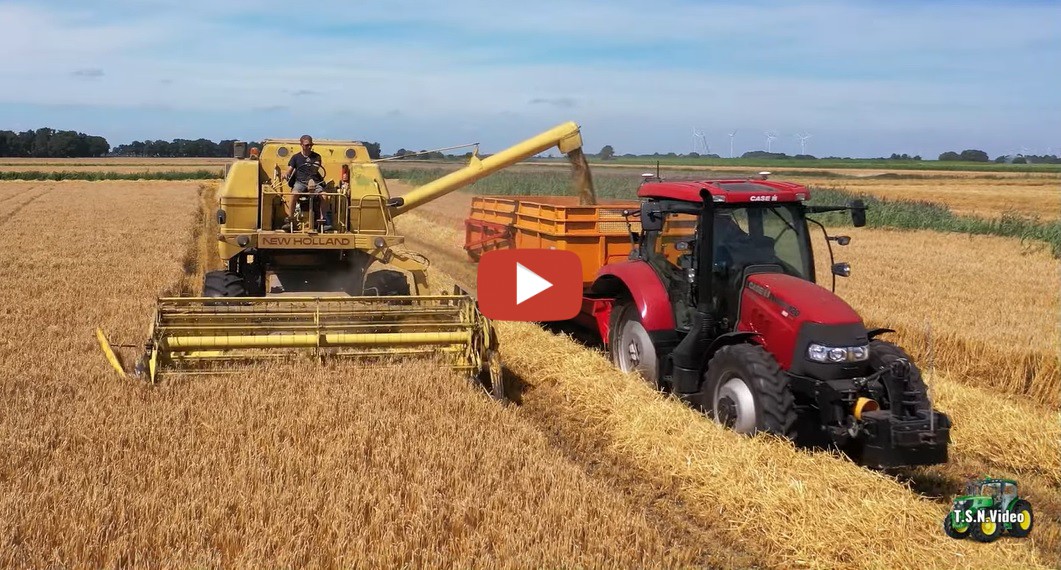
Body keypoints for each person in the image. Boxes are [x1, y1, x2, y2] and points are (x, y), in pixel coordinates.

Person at [282, 134, 331, 231]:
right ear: (301, 144)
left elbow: (315, 169)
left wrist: (311, 177)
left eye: (311, 145)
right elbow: (289, 170)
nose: (309, 147)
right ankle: (290, 219)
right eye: (307, 145)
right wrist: (285, 174)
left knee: (324, 196)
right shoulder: (295, 157)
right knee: (293, 195)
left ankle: (322, 221)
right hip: (300, 182)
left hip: (315, 182)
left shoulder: (316, 156)